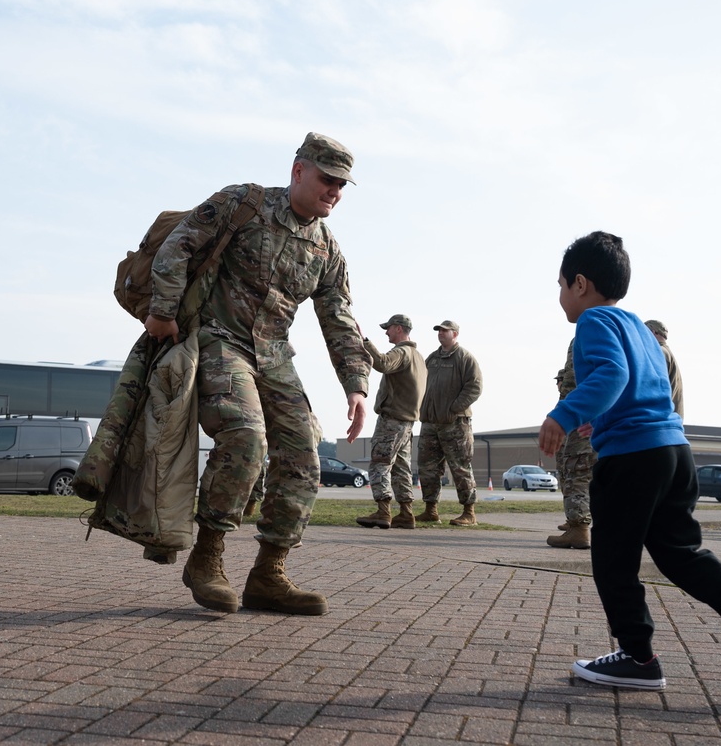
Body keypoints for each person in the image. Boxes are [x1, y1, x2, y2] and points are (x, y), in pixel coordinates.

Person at [538, 231, 721, 701]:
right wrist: (598, 422)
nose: (559, 296)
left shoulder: (593, 321)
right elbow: (639, 387)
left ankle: (638, 659)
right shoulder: (639, 327)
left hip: (633, 461)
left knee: (613, 562)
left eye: (560, 284)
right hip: (673, 453)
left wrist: (564, 414)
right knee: (681, 555)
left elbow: (612, 375)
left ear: (580, 283)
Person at [145, 132, 372, 617]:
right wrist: (163, 310)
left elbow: (339, 317)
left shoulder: (327, 250)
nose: (335, 191)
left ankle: (268, 574)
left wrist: (355, 384)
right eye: (328, 180)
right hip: (220, 340)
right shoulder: (242, 203)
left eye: (342, 186)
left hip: (273, 357)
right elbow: (179, 245)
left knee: (304, 455)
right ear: (298, 171)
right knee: (247, 436)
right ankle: (207, 558)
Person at [356, 314, 427, 530]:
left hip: (392, 420)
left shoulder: (402, 352)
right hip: (407, 423)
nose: (386, 332)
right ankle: (406, 514)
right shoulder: (418, 357)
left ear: (398, 328)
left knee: (380, 463)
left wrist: (364, 341)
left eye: (388, 328)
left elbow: (383, 364)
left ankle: (383, 511)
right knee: (401, 468)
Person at [416, 320, 483, 526]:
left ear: (455, 334)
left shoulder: (464, 358)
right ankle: (431, 510)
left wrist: (454, 408)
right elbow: (419, 382)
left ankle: (469, 512)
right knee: (427, 467)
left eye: (445, 331)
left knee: (460, 467)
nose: (440, 334)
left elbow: (475, 386)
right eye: (439, 331)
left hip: (455, 423)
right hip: (430, 422)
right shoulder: (432, 359)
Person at [547, 340, 596, 549]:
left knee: (577, 470)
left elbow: (575, 386)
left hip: (583, 418)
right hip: (591, 416)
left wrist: (563, 417)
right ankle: (578, 526)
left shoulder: (590, 332)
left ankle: (579, 529)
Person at [645, 319, 684, 419]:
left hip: (660, 422)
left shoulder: (659, 353)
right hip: (670, 422)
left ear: (653, 332)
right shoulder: (667, 353)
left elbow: (652, 389)